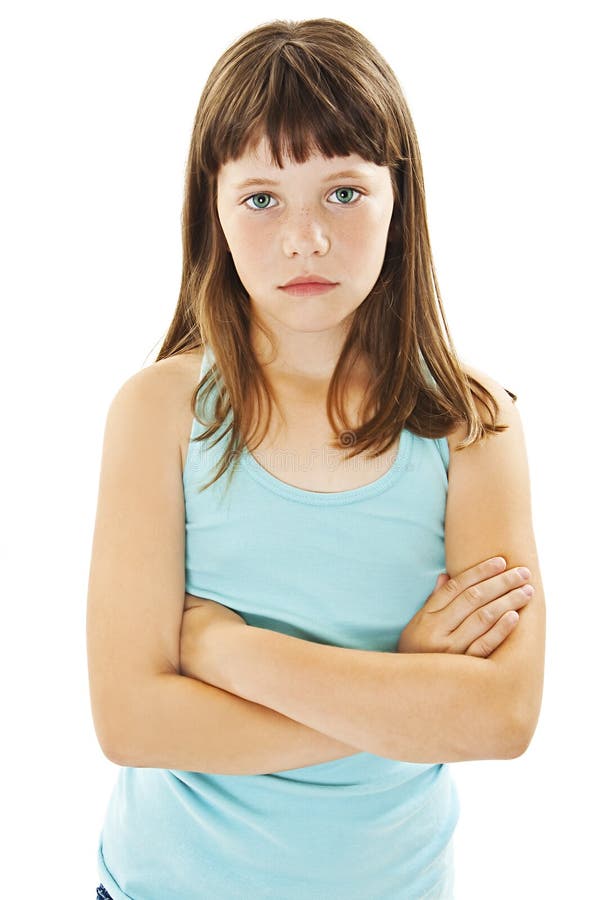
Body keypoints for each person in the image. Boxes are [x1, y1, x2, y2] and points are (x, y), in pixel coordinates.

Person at [87, 17, 545, 900]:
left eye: (342, 191)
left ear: (398, 199)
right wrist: (407, 692)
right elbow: (133, 721)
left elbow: (501, 718)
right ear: (211, 211)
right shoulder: (159, 415)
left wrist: (225, 650)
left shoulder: (472, 426)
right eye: (262, 198)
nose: (305, 238)